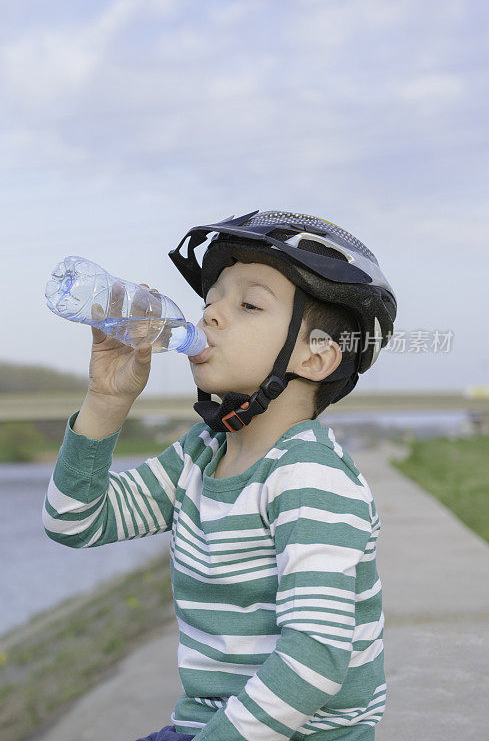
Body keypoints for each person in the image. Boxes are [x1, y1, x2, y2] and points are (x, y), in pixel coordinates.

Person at [42, 210, 397, 741]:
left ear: (317, 358)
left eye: (248, 304)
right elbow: (75, 522)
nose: (210, 316)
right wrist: (107, 399)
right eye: (212, 301)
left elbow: (317, 655)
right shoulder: (201, 454)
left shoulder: (310, 475)